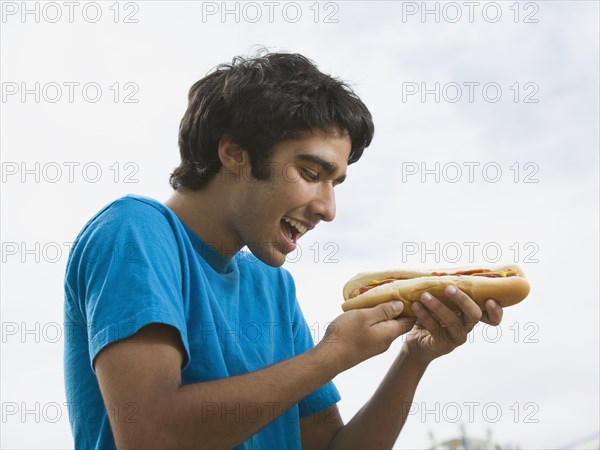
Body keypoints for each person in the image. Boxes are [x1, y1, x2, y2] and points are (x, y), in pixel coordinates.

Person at [63, 51, 503, 449]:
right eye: (311, 172)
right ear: (235, 153)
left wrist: (414, 356)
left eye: (335, 183)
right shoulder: (134, 232)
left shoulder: (272, 285)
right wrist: (334, 353)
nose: (328, 209)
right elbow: (152, 435)